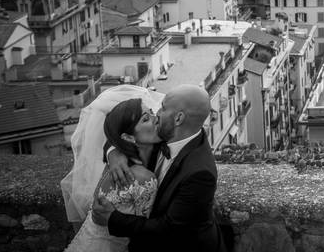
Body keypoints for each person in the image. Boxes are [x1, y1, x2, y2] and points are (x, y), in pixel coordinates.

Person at [92, 84, 226, 252]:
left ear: (178, 119)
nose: (157, 113)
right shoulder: (164, 134)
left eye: (162, 108)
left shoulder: (200, 173)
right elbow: (121, 131)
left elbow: (170, 229)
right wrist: (114, 152)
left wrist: (113, 219)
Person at [62, 87, 165, 252]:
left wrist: (113, 151)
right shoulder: (142, 178)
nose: (157, 118)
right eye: (146, 118)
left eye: (152, 112)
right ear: (128, 137)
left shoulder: (115, 165)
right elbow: (143, 233)